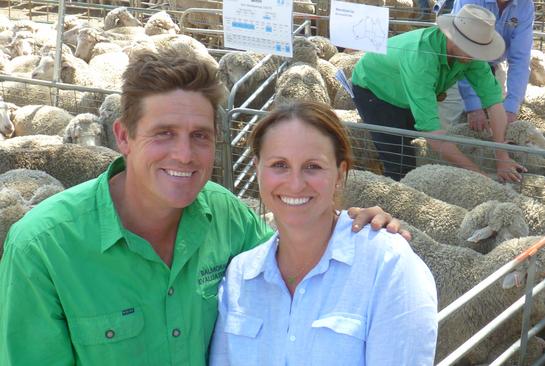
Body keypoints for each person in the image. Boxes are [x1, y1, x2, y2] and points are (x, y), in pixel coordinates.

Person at [0, 48, 404, 365]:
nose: (184, 154)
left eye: (200, 136)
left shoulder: (226, 216)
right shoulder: (43, 249)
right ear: (123, 136)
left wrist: (347, 223)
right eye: (164, 134)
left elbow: (291, 265)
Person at [209, 101, 438, 365]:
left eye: (313, 166)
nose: (295, 184)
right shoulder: (239, 277)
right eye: (279, 165)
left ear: (340, 174)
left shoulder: (387, 264)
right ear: (257, 168)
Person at [351, 4, 526, 182]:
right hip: (375, 89)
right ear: (454, 37)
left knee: (414, 149)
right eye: (470, 49)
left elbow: (494, 103)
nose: (474, 56)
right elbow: (431, 132)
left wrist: (502, 157)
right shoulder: (421, 58)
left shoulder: (471, 54)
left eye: (477, 50)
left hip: (409, 92)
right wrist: (477, 174)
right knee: (400, 162)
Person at [446, 0, 534, 129]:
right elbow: (461, 49)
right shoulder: (469, 1)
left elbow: (520, 58)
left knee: (496, 126)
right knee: (450, 126)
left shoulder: (524, 5)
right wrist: (473, 104)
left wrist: (511, 106)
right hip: (456, 67)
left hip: (493, 67)